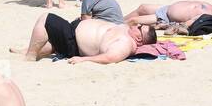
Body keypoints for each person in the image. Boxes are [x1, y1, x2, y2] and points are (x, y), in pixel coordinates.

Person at [14, 10, 155, 64]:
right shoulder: (127, 30)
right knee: (54, 43)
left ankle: (30, 56)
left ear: (139, 39)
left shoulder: (126, 43)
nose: (138, 26)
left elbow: (110, 58)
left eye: (140, 28)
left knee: (46, 19)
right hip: (73, 34)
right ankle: (28, 50)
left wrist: (83, 59)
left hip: (74, 43)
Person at [124, 0, 212, 32]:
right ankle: (117, 20)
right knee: (142, 7)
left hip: (165, 18)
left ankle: (115, 26)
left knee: (134, 21)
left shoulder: (207, 17)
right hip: (167, 8)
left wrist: (169, 26)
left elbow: (188, 24)